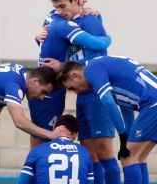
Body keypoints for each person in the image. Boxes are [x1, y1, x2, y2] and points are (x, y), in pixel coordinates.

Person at [31, 0, 118, 184]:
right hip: (82, 95)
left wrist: (62, 67)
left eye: (63, 5)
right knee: (88, 149)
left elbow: (99, 57)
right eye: (57, 7)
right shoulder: (62, 21)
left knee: (104, 149)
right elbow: (55, 44)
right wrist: (38, 36)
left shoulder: (90, 21)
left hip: (97, 92)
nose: (60, 10)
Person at [59, 56, 157, 184]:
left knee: (128, 157)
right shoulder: (106, 65)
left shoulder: (92, 69)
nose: (76, 92)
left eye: (72, 88)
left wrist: (122, 135)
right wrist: (127, 133)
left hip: (152, 105)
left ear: (75, 75)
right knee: (139, 157)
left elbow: (108, 102)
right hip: (151, 104)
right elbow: (127, 108)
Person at [17, 114, 94, 184]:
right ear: (75, 134)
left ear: (54, 128)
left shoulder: (38, 150)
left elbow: (22, 182)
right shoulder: (85, 153)